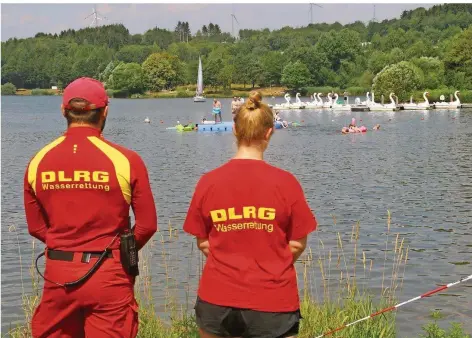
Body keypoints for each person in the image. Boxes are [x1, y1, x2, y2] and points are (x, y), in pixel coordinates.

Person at [24, 77, 158, 338]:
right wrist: (120, 252)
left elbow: (36, 226)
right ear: (105, 111)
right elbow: (147, 225)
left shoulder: (38, 161)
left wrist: (66, 245)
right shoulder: (126, 160)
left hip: (58, 275)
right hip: (109, 274)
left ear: (64, 111)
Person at [183, 91, 317, 338]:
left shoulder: (208, 182)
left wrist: (229, 264)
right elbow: (297, 243)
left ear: (235, 131)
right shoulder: (286, 183)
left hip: (217, 300)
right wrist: (269, 266)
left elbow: (202, 241)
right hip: (272, 302)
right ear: (269, 132)